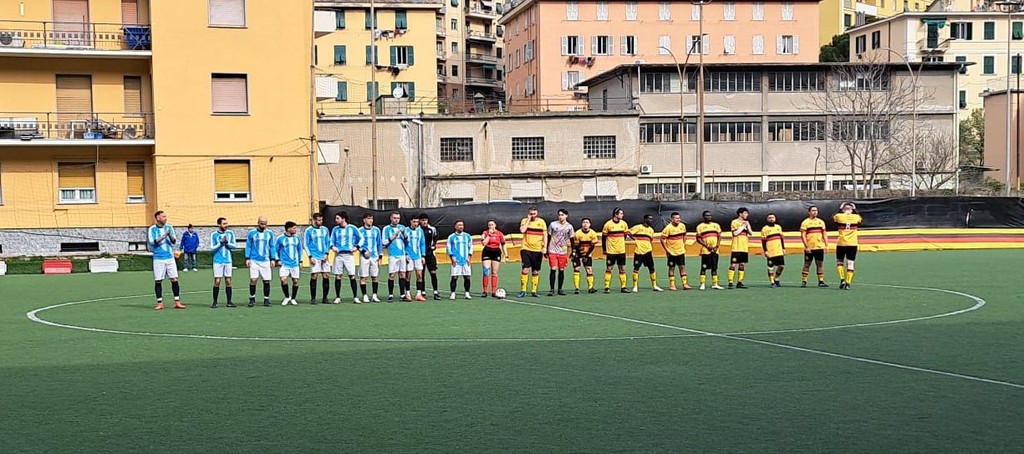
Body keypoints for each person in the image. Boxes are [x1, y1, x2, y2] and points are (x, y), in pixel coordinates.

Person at [149, 210, 184, 310]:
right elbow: (152, 242)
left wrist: (169, 235)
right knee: (158, 280)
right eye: (163, 217)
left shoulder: (169, 227)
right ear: (158, 218)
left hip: (170, 257)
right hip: (158, 258)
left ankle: (177, 301)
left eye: (165, 216)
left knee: (174, 279)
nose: (166, 218)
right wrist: (164, 236)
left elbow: (174, 241)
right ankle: (160, 303)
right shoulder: (152, 229)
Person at [330, 211, 361, 304]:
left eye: (337, 218)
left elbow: (361, 238)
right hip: (339, 255)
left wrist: (357, 247)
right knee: (338, 276)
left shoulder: (352, 228)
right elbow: (331, 240)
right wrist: (332, 247)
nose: (336, 220)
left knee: (352, 275)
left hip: (349, 255)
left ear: (343, 219)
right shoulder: (335, 229)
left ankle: (355, 297)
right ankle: (338, 297)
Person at [245, 216, 275, 307]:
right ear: (258, 223)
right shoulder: (252, 233)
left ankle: (266, 299)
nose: (264, 226)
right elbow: (248, 246)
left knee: (266, 280)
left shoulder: (269, 233)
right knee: (253, 279)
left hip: (265, 260)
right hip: (254, 260)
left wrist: (273, 259)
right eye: (262, 224)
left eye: (265, 224)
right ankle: (252, 298)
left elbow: (272, 246)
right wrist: (247, 258)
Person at [518, 206, 547, 298]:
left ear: (537, 213)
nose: (533, 215)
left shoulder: (541, 222)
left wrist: (545, 247)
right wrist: (528, 220)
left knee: (535, 271)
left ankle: (534, 291)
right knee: (525, 269)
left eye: (534, 214)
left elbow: (545, 235)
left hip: (537, 250)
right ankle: (523, 290)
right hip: (526, 248)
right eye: (531, 214)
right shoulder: (524, 221)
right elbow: (522, 230)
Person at [629, 214, 662, 292]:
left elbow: (650, 240)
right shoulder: (638, 227)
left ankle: (654, 285)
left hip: (648, 251)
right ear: (645, 219)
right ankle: (635, 286)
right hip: (639, 251)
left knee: (652, 268)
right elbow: (628, 232)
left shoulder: (651, 230)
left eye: (652, 219)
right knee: (636, 268)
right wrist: (635, 239)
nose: (651, 220)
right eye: (649, 219)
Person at [833, 202, 863, 290]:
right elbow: (861, 220)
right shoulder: (856, 217)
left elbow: (834, 218)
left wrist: (840, 209)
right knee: (850, 263)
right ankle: (848, 283)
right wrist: (855, 210)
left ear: (843, 209)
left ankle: (842, 279)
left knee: (840, 262)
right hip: (852, 243)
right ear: (852, 209)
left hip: (841, 243)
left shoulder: (839, 216)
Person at [659, 212, 691, 291]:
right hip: (671, 252)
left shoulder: (682, 226)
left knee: (682, 267)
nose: (678, 219)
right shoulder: (668, 228)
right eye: (676, 218)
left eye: (679, 218)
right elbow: (662, 239)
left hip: (680, 251)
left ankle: (685, 284)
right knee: (671, 268)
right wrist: (667, 250)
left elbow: (685, 235)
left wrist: (683, 244)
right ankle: (672, 285)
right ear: (672, 219)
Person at [304, 212, 331, 305]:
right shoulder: (309, 230)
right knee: (314, 276)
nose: (321, 221)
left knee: (326, 275)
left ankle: (325, 298)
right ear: (314, 220)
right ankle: (313, 298)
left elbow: (328, 242)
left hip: (324, 256)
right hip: (314, 256)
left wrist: (327, 254)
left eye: (322, 220)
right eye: (319, 220)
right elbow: (306, 244)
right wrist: (310, 256)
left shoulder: (325, 229)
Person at [382, 211, 410, 302]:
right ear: (391, 218)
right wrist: (394, 236)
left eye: (398, 218)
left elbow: (407, 241)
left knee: (402, 274)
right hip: (392, 255)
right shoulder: (386, 229)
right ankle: (390, 295)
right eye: (394, 218)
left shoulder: (402, 227)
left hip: (402, 254)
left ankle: (402, 295)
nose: (396, 220)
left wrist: (404, 234)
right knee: (392, 274)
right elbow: (384, 242)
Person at [800, 205, 829, 288]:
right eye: (813, 210)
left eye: (816, 210)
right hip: (810, 247)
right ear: (809, 212)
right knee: (807, 264)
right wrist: (806, 246)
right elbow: (803, 235)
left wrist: (826, 245)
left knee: (820, 264)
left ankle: (821, 281)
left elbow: (824, 234)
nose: (815, 212)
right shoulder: (805, 222)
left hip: (819, 247)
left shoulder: (821, 222)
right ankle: (804, 281)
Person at [546, 209, 574, 296]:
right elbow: (549, 236)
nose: (560, 217)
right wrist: (546, 248)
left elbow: (572, 239)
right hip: (552, 250)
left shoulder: (569, 227)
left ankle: (560, 289)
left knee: (561, 270)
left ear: (566, 216)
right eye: (559, 215)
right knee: (553, 268)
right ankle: (551, 289)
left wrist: (573, 250)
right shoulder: (553, 224)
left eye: (562, 215)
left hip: (563, 251)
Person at [275, 221, 303, 305]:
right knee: (283, 279)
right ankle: (287, 297)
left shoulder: (297, 238)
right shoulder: (280, 238)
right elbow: (275, 250)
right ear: (288, 229)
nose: (295, 230)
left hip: (294, 263)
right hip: (284, 264)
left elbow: (300, 249)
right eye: (294, 228)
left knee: (295, 281)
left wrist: (300, 261)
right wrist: (277, 260)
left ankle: (293, 298)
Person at [602, 207, 630, 294]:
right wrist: (604, 249)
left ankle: (623, 287)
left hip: (621, 251)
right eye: (621, 213)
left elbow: (625, 235)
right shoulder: (608, 224)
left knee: (622, 269)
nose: (622, 215)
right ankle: (607, 287)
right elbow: (603, 238)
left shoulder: (624, 224)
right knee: (609, 269)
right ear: (616, 214)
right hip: (611, 251)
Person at [210, 217, 236, 308]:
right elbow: (212, 248)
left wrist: (227, 243)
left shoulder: (230, 233)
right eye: (224, 224)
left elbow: (234, 246)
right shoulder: (214, 235)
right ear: (219, 224)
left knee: (228, 281)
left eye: (226, 223)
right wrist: (220, 243)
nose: (226, 225)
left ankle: (229, 302)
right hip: (217, 261)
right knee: (217, 281)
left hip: (228, 260)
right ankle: (215, 302)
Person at [695, 210, 724, 290]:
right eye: (707, 215)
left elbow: (719, 236)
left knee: (714, 267)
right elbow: (698, 239)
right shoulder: (700, 226)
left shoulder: (716, 225)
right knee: (704, 267)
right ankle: (702, 284)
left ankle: (715, 283)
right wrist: (707, 245)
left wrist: (717, 246)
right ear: (703, 217)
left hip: (715, 250)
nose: (708, 217)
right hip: (706, 250)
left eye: (710, 215)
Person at [358, 213, 383, 302]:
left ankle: (374, 295)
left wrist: (380, 257)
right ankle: (364, 295)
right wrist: (363, 251)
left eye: (371, 218)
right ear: (364, 220)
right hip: (364, 257)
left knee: (375, 276)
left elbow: (379, 244)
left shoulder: (376, 230)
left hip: (374, 257)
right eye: (368, 218)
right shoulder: (359, 231)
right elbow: (356, 244)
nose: (371, 220)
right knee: (363, 277)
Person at [480, 220, 508, 298]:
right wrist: (489, 235)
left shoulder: (500, 234)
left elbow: (503, 244)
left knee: (494, 272)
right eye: (489, 225)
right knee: (486, 271)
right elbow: (484, 243)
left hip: (496, 252)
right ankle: (485, 291)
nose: (491, 226)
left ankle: (493, 291)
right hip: (487, 252)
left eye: (492, 225)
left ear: (495, 225)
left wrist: (506, 255)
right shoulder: (485, 233)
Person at [447, 219, 474, 300]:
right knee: (454, 277)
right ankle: (453, 293)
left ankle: (467, 293)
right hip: (456, 260)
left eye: (462, 225)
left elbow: (471, 247)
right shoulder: (451, 237)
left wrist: (469, 257)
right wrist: (452, 257)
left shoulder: (467, 236)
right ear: (455, 226)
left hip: (465, 260)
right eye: (459, 225)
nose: (461, 227)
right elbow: (448, 248)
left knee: (467, 277)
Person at [571, 217, 599, 294]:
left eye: (587, 222)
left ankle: (590, 287)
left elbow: (592, 246)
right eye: (584, 222)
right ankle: (577, 288)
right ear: (581, 224)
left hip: (587, 254)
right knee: (577, 269)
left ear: (590, 224)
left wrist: (586, 256)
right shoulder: (578, 233)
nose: (585, 224)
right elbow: (576, 246)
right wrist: (579, 256)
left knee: (589, 269)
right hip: (578, 253)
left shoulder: (593, 233)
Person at [728, 208, 753, 289]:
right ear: (740, 214)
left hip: (744, 247)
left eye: (747, 213)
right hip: (736, 247)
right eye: (745, 213)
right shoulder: (734, 222)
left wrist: (747, 226)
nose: (747, 215)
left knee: (742, 265)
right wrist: (743, 226)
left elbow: (751, 233)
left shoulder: (746, 222)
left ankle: (740, 282)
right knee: (733, 265)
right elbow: (735, 233)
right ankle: (730, 282)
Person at [419, 214, 442, 300]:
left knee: (433, 272)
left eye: (426, 220)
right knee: (421, 274)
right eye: (422, 220)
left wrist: (434, 245)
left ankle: (435, 292)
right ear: (420, 221)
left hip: (430, 254)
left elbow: (436, 236)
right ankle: (422, 292)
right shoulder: (418, 230)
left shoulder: (432, 229)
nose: (424, 222)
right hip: (421, 254)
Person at [761, 213, 786, 288]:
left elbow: (781, 239)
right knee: (771, 267)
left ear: (775, 219)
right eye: (770, 218)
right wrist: (765, 251)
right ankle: (772, 282)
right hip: (770, 251)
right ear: (767, 219)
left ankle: (776, 278)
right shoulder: (765, 229)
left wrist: (783, 248)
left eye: (773, 218)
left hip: (779, 250)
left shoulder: (778, 227)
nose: (771, 219)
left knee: (781, 266)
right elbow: (763, 241)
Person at [406, 216, 427, 301]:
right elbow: (403, 243)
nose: (416, 224)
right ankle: (407, 293)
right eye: (414, 222)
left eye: (417, 222)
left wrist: (423, 255)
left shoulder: (420, 231)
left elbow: (422, 244)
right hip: (409, 256)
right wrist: (405, 254)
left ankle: (418, 294)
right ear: (410, 222)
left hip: (418, 256)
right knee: (408, 275)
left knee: (419, 275)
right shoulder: (406, 230)